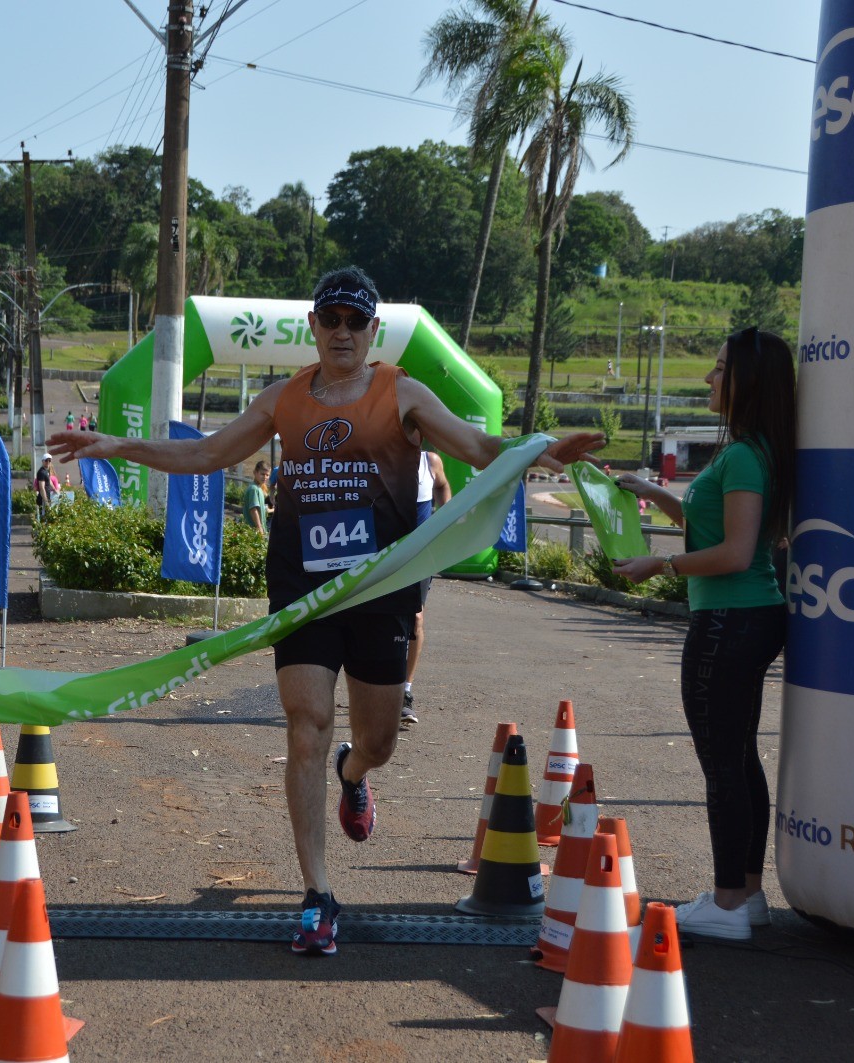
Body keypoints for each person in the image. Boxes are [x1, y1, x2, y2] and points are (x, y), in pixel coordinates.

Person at [48, 266, 602, 955]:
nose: (342, 331)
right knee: (304, 725)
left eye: (355, 321)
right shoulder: (282, 399)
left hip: (378, 589)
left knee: (378, 741)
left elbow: (479, 448)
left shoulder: (403, 392)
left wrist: (542, 451)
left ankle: (355, 773)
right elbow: (207, 453)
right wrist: (117, 444)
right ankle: (317, 894)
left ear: (373, 331)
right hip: (304, 588)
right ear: (314, 326)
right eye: (330, 318)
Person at [611, 325, 796, 942]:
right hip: (746, 619)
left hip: (730, 620)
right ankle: (745, 895)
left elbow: (738, 552)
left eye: (720, 368)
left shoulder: (744, 455)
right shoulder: (749, 449)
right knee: (739, 758)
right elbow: (709, 524)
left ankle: (724, 905)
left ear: (747, 381)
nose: (710, 378)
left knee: (723, 764)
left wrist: (660, 564)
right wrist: (650, 492)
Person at [401, 447, 450, 727]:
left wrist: (445, 519)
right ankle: (376, 686)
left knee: (415, 618)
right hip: (383, 556)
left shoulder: (429, 461)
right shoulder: (376, 458)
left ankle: (405, 690)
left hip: (420, 558)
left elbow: (443, 486)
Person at [241, 460, 270, 539]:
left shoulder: (259, 488)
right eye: (262, 474)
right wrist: (259, 527)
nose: (265, 477)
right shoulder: (253, 489)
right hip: (253, 531)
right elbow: (253, 509)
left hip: (258, 530)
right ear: (255, 473)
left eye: (267, 475)